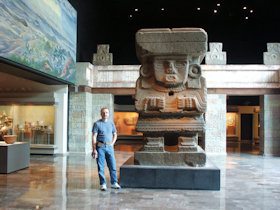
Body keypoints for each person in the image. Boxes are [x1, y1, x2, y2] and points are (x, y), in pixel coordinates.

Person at [92, 107, 121, 191]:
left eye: (107, 112)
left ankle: (114, 182)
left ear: (108, 114)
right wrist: (94, 149)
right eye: (103, 112)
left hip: (109, 147)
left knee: (112, 165)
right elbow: (94, 136)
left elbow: (115, 134)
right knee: (101, 166)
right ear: (101, 114)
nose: (105, 114)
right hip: (100, 146)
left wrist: (112, 143)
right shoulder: (97, 124)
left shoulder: (111, 123)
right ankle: (103, 184)